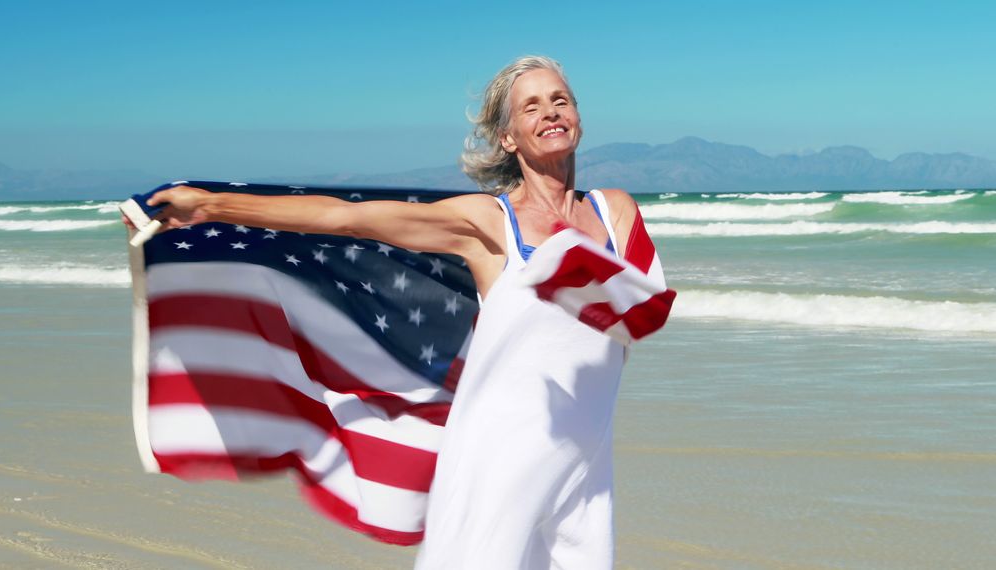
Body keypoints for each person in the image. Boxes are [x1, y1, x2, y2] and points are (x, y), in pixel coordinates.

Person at [141, 55, 661, 569]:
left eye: (559, 100)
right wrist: (212, 207)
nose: (549, 112)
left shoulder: (614, 213)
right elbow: (347, 220)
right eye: (531, 107)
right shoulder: (488, 222)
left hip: (585, 452)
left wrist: (579, 280)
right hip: (497, 453)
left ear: (578, 117)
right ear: (508, 137)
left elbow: (640, 315)